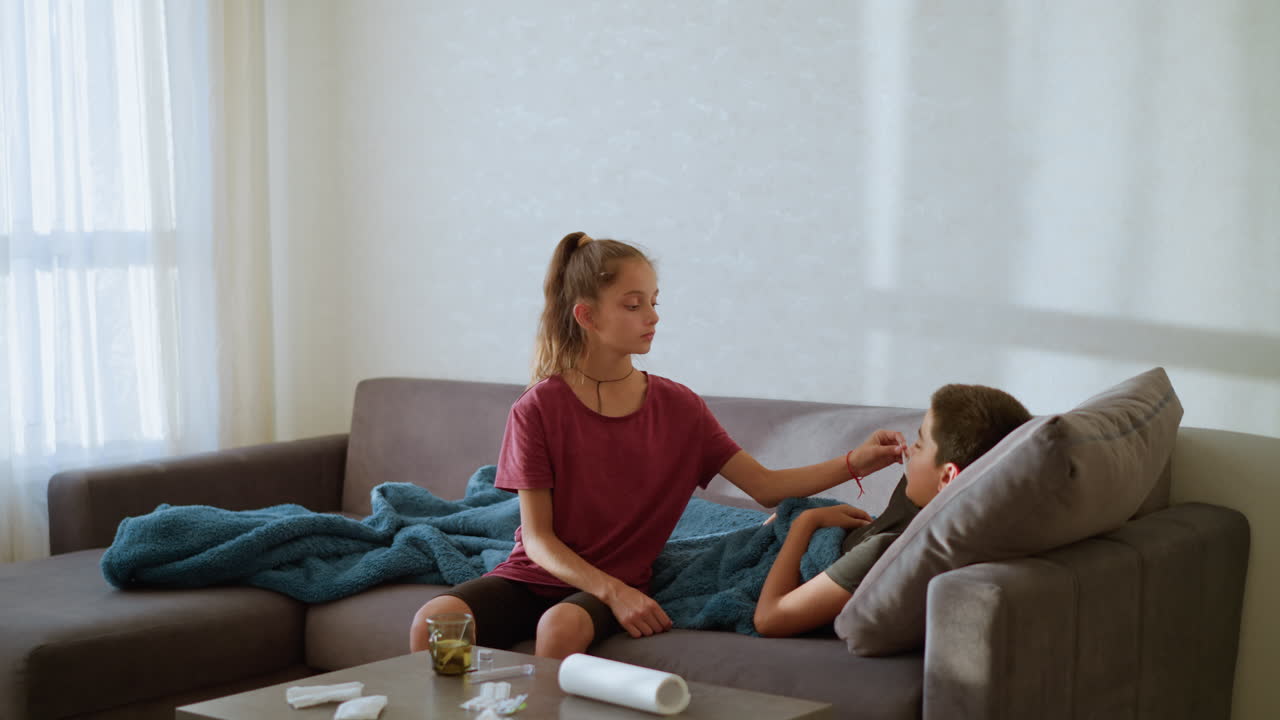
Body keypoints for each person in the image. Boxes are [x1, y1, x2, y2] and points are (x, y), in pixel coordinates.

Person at [408, 231, 907, 659]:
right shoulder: (537, 409)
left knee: (558, 628)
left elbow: (766, 487)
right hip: (539, 575)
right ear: (586, 316)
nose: (652, 316)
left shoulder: (679, 407)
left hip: (616, 580)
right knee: (432, 622)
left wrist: (855, 461)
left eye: (653, 301)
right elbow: (537, 541)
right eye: (633, 304)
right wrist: (613, 592)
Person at [752, 384, 1031, 638]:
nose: (909, 450)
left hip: (780, 551)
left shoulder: (888, 553)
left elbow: (770, 619)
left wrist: (805, 522)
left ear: (947, 478)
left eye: (920, 444)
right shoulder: (933, 501)